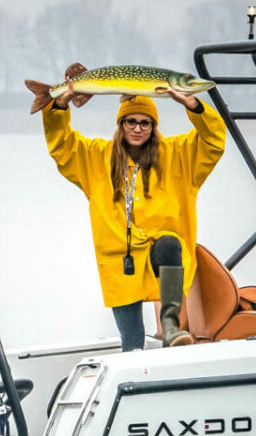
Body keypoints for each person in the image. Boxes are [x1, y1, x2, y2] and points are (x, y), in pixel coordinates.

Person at [41, 62, 226, 350]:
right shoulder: (96, 158)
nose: (138, 128)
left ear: (153, 127)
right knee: (132, 341)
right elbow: (62, 146)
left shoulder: (178, 155)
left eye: (145, 123)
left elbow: (213, 141)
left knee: (169, 244)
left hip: (162, 255)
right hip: (119, 262)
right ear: (121, 125)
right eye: (131, 122)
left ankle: (171, 327)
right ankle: (135, 371)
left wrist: (193, 106)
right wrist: (59, 106)